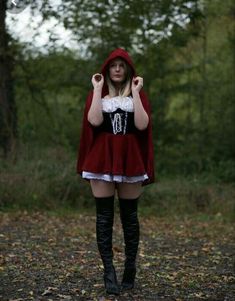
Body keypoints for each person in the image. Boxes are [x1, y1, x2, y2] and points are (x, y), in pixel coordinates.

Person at [77, 48, 154, 295]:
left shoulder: (137, 96)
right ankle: (108, 272)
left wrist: (137, 93)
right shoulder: (98, 94)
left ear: (129, 69)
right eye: (113, 66)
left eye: (122, 65)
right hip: (102, 158)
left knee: (130, 219)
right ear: (108, 69)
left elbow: (142, 125)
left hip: (130, 158)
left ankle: (130, 269)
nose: (118, 69)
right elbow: (95, 122)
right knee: (104, 218)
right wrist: (98, 90)